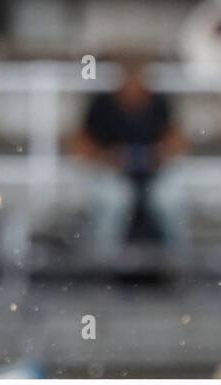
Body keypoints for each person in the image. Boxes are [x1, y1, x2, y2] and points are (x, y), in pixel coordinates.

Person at [72, 56, 189, 260]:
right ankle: (104, 262)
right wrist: (110, 158)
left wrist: (156, 155)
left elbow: (177, 144)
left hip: (153, 175)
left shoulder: (159, 104)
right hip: (111, 175)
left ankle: (176, 262)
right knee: (115, 200)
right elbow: (81, 148)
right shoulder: (102, 106)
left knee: (170, 200)